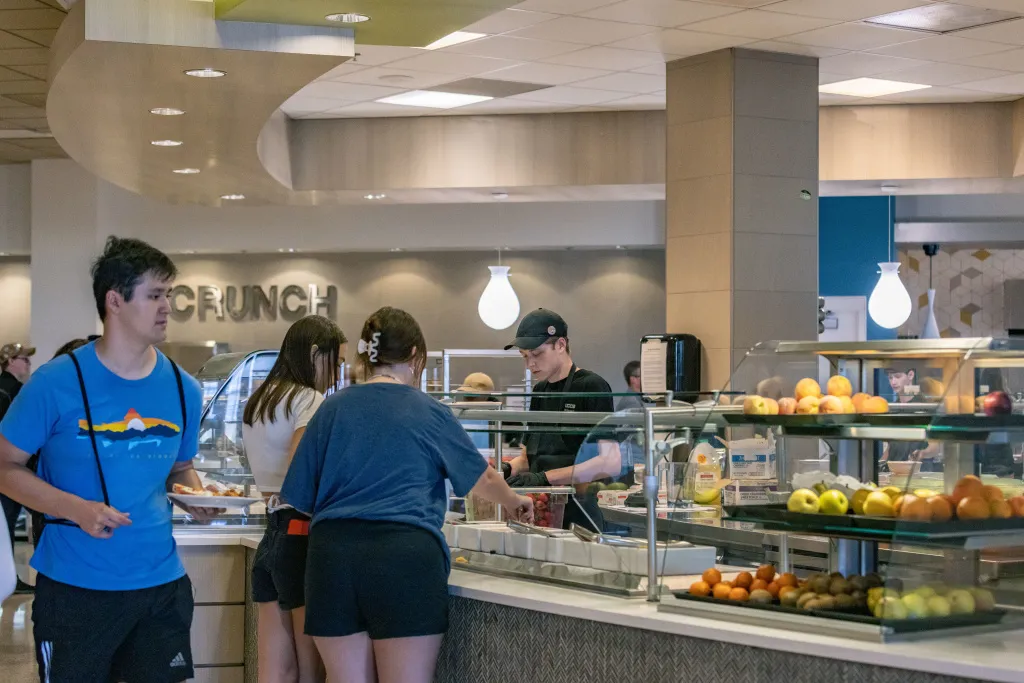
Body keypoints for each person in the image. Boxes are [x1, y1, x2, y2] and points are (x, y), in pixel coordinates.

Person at [281, 306, 532, 683]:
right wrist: (516, 503)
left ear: (367, 355)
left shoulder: (331, 408)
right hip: (404, 557)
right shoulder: (430, 411)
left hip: (332, 558)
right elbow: (482, 477)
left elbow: (297, 495)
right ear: (416, 357)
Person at [0, 236, 210, 683]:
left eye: (168, 295)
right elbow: (4, 466)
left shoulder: (183, 388)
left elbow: (179, 468)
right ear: (114, 301)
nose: (167, 307)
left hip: (161, 588)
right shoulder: (56, 382)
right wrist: (75, 509)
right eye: (154, 295)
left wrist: (197, 496)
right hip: (76, 590)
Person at [244, 315, 347, 683]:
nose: (336, 375)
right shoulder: (310, 399)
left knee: (274, 669)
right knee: (310, 668)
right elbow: (301, 470)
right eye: (335, 363)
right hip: (301, 532)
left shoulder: (259, 400)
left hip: (270, 534)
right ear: (316, 354)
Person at [502, 309, 622, 527]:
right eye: (525, 356)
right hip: (542, 511)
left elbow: (610, 462)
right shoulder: (540, 391)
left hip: (580, 516)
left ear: (560, 345)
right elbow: (529, 458)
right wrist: (507, 469)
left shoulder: (591, 386)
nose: (530, 365)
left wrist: (545, 478)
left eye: (537, 354)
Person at [0, 342, 35, 591]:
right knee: (8, 521)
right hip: (9, 469)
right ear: (10, 361)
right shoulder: (13, 392)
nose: (28, 364)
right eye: (23, 359)